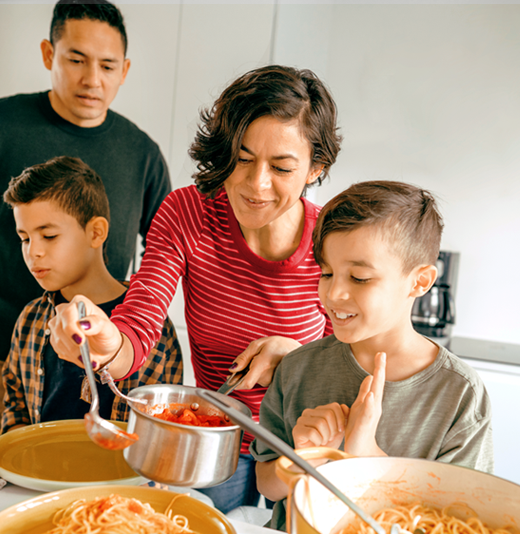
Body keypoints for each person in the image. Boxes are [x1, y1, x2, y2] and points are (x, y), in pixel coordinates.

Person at [48, 65, 343, 513]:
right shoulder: (188, 214)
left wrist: (298, 358)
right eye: (241, 158)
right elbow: (138, 325)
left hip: (302, 449)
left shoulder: (333, 240)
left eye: (281, 167)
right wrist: (106, 344)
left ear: (314, 168)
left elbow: (352, 363)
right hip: (213, 444)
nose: (255, 183)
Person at [0, 0, 172, 449]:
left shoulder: (142, 155)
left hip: (96, 376)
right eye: (76, 59)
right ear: (48, 54)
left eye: (107, 65)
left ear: (125, 70)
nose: (92, 79)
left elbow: (163, 262)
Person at [251, 181, 494, 531]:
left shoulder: (460, 395)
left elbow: (458, 520)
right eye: (326, 273)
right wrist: (306, 459)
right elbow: (267, 486)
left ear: (419, 282)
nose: (334, 293)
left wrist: (365, 456)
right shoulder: (297, 369)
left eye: (360, 278)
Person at [0, 156, 182, 433]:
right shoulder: (30, 319)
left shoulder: (151, 326)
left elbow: (166, 424)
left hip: (118, 475)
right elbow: (16, 407)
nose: (32, 251)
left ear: (96, 232)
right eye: (25, 238)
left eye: (48, 236)